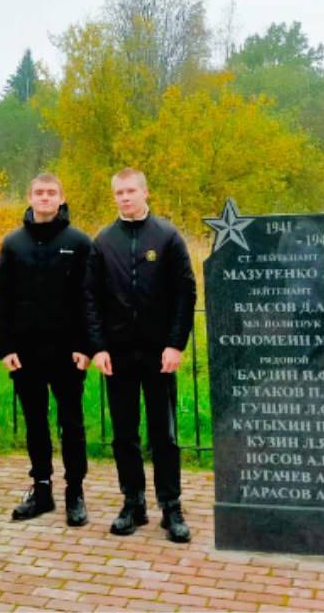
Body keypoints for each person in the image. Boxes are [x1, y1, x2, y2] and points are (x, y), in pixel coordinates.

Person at [83, 168, 197, 543]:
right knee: (124, 434)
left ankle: (171, 506)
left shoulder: (167, 237)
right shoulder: (103, 241)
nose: (125, 198)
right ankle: (133, 502)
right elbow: (90, 300)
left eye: (131, 191)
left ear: (146, 191)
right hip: (118, 354)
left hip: (158, 353)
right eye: (118, 193)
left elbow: (185, 293)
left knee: (163, 434)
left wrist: (175, 343)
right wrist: (98, 347)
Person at [0, 173, 93, 526]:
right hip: (25, 354)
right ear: (30, 197)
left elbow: (88, 299)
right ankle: (42, 489)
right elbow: (0, 300)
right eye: (39, 192)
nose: (45, 198)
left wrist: (86, 347)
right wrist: (4, 347)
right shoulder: (13, 243)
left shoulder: (79, 242)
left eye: (51, 193)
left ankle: (74, 492)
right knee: (36, 423)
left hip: (68, 354)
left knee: (71, 423)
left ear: (62, 198)